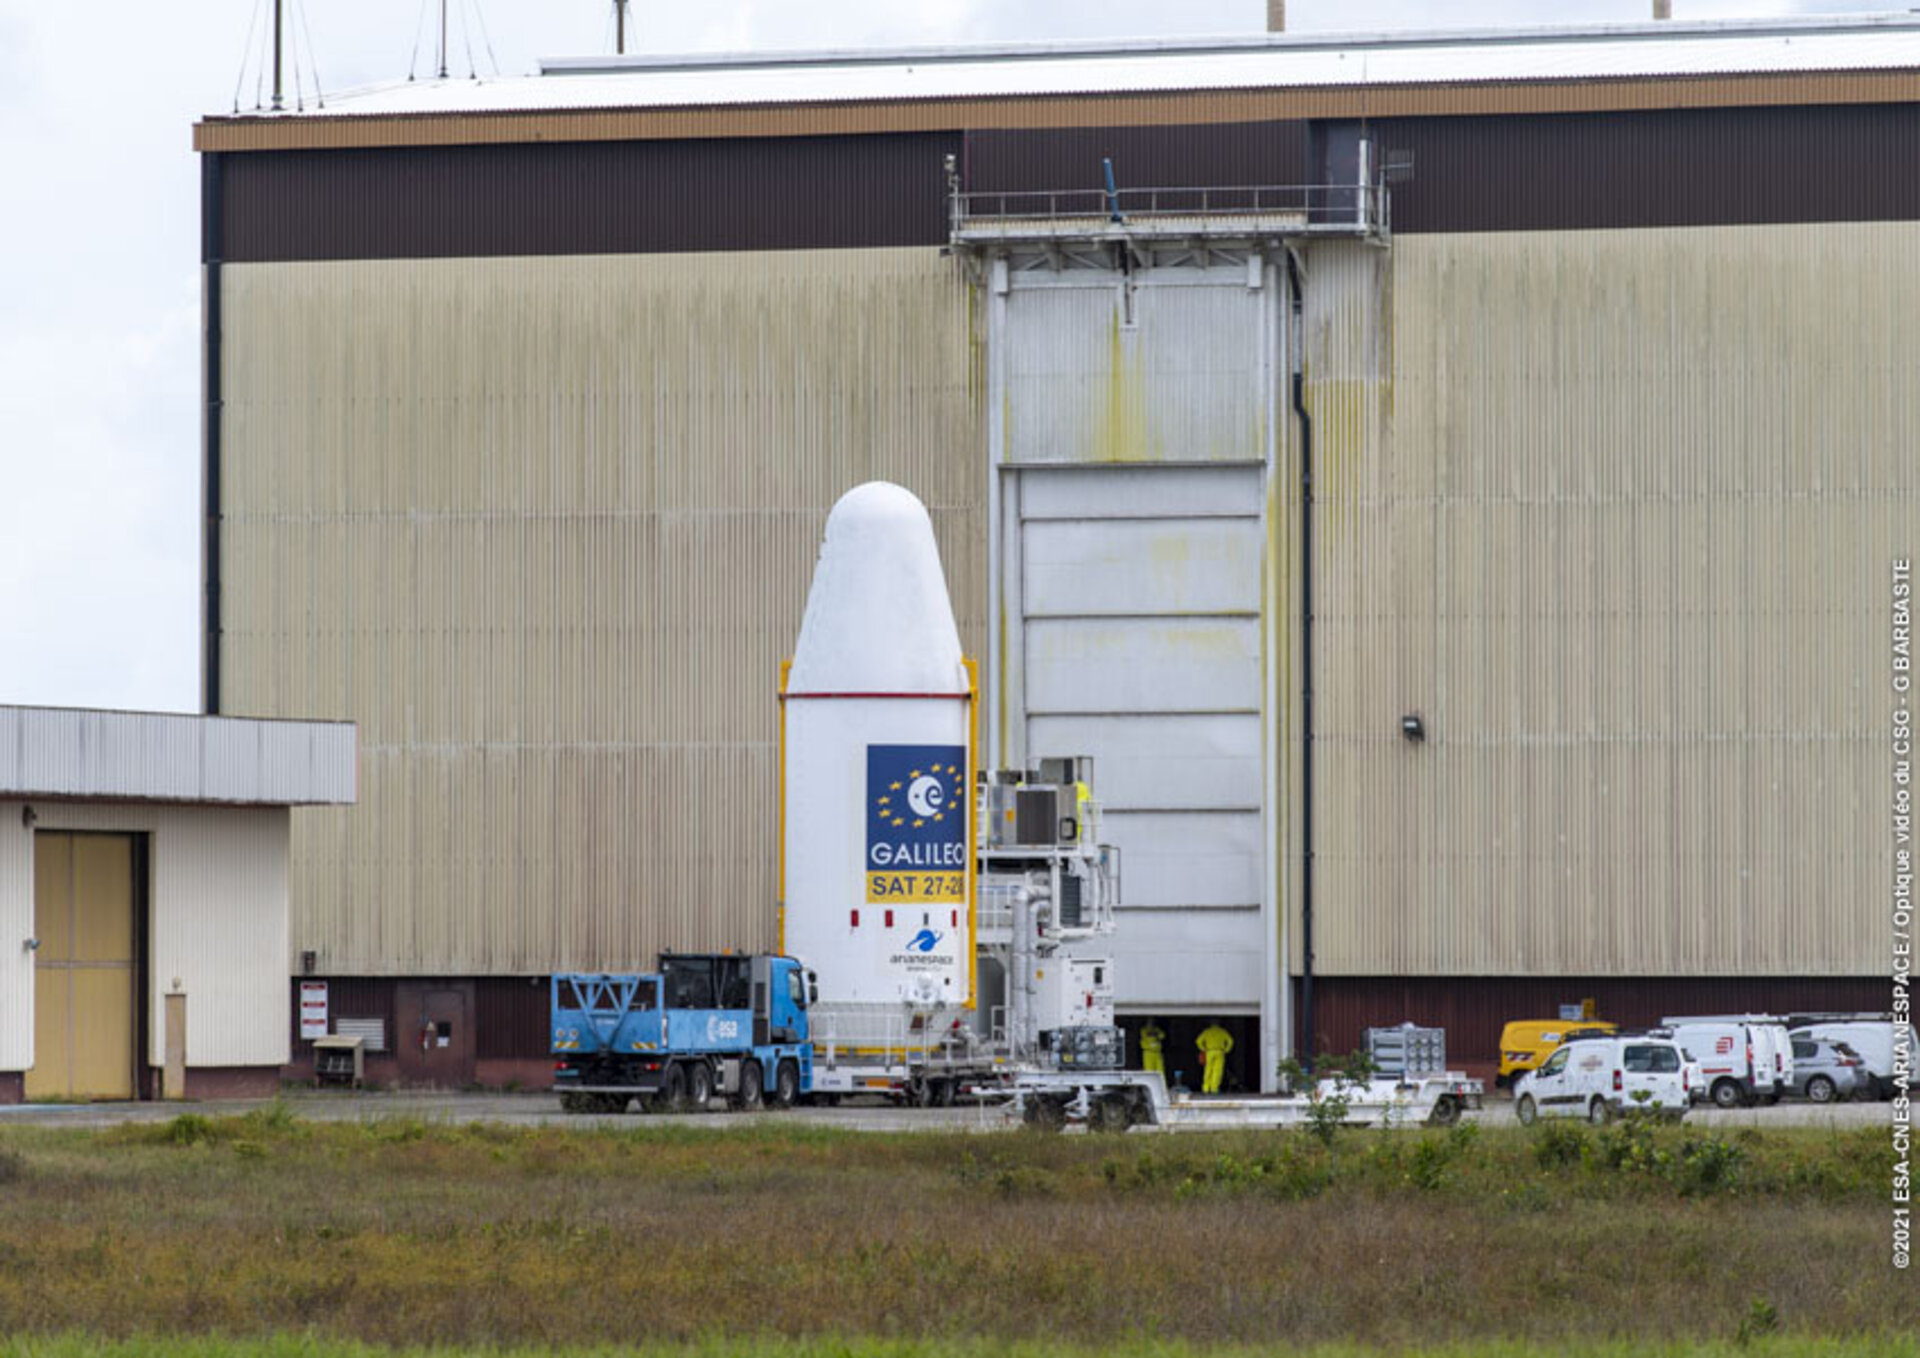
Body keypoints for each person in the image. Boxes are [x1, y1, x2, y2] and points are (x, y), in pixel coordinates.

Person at [1197, 1021, 1234, 1094]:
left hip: (1209, 1052)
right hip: (1219, 1051)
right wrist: (1226, 1050)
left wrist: (1203, 1048)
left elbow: (1198, 1041)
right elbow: (1230, 1041)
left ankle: (1206, 1088)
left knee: (1208, 1070)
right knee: (1217, 1070)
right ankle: (1214, 1088)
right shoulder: (1222, 1031)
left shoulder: (1207, 1031)